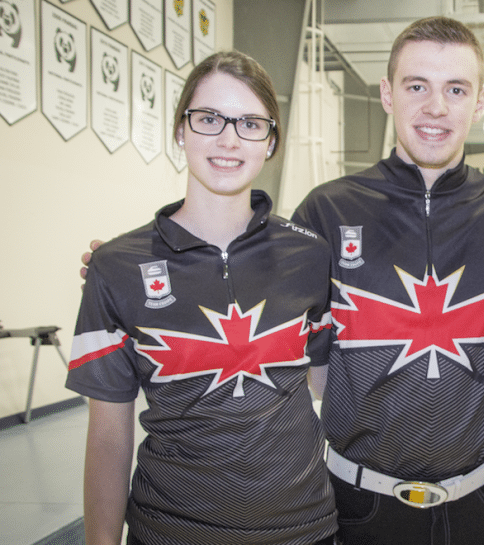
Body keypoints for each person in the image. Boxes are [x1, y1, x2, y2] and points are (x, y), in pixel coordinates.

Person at [290, 17, 484, 545]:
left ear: (480, 102)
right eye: (417, 86)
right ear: (387, 93)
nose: (436, 107)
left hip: (482, 505)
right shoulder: (328, 209)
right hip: (357, 505)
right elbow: (264, 305)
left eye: (456, 89)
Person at [66, 51, 338, 545]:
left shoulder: (311, 255)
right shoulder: (117, 267)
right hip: (169, 530)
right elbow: (108, 437)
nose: (229, 139)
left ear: (271, 141)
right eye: (210, 118)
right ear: (180, 130)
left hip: (304, 528)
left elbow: (325, 385)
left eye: (251, 123)